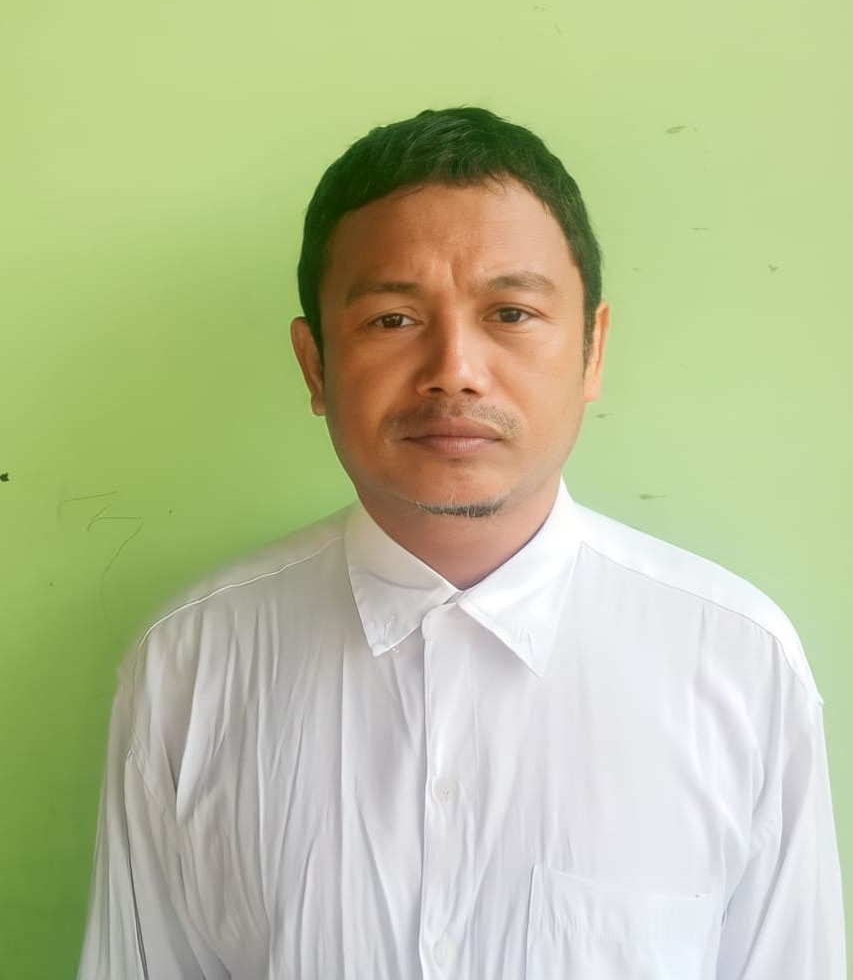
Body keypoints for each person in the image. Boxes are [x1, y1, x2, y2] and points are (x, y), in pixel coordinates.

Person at [78, 106, 846, 978]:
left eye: (510, 312)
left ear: (591, 351)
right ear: (315, 364)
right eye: (392, 320)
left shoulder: (737, 663)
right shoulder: (190, 665)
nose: (455, 370)